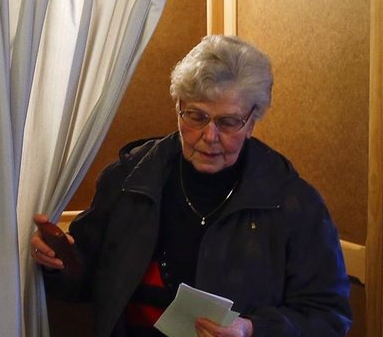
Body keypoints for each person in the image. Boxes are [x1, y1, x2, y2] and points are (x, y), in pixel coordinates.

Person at [30, 35, 351, 336]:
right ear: (178, 108)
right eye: (196, 117)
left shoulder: (292, 201)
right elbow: (85, 282)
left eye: (228, 122)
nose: (210, 136)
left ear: (251, 122)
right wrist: (59, 262)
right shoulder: (128, 180)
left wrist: (253, 329)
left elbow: (329, 315)